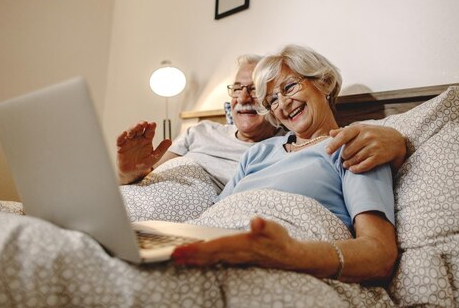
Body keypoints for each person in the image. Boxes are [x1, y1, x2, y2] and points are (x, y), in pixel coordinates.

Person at [171, 45, 399, 284]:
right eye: (272, 101)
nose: (283, 104)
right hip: (213, 249)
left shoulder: (354, 145)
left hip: (284, 268)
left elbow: (379, 254)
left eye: (289, 87)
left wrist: (292, 255)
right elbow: (216, 215)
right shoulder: (258, 152)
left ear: (324, 82)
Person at [117, 54, 407, 189]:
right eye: (237, 88)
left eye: (256, 91)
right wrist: (129, 174)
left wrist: (396, 142)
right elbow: (145, 175)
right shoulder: (201, 131)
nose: (244, 97)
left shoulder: (281, 145)